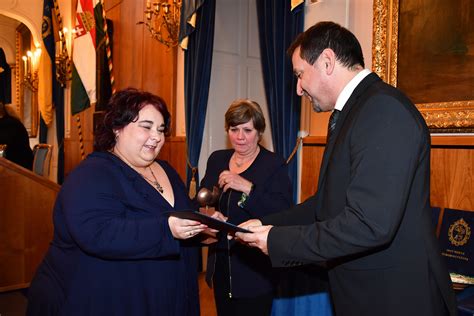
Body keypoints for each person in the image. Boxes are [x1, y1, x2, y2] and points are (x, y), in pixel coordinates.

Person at [236, 21, 458, 316]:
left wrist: (277, 241)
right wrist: (265, 224)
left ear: (327, 61)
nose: (299, 89)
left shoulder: (383, 110)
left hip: (394, 299)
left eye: (300, 75)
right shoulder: (352, 112)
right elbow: (327, 203)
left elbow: (369, 224)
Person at [26, 88, 206, 316]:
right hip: (99, 299)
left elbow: (182, 216)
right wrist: (166, 228)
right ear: (117, 128)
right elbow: (98, 233)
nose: (157, 136)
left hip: (165, 296)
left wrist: (204, 227)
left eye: (161, 129)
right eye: (146, 126)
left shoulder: (167, 170)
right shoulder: (90, 175)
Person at [199, 99, 293, 316]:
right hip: (221, 261)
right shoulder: (217, 159)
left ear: (259, 132)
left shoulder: (273, 164)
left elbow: (283, 211)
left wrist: (247, 187)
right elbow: (203, 200)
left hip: (255, 268)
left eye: (247, 130)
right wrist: (211, 216)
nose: (240, 137)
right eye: (234, 129)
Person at [0, 102, 33, 169]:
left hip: (20, 164)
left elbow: (4, 139)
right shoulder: (10, 121)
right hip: (18, 161)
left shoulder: (9, 123)